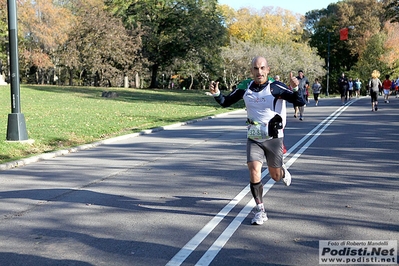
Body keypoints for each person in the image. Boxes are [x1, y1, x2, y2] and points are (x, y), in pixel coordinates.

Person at [209, 56, 305, 225]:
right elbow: (226, 102)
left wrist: (296, 89)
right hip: (254, 137)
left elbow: (300, 101)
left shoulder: (276, 87)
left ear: (268, 70)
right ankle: (260, 210)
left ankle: (282, 170)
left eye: (262, 68)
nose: (258, 72)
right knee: (254, 170)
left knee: (275, 176)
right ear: (251, 71)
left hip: (274, 138)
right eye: (255, 68)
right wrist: (216, 94)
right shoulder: (245, 86)